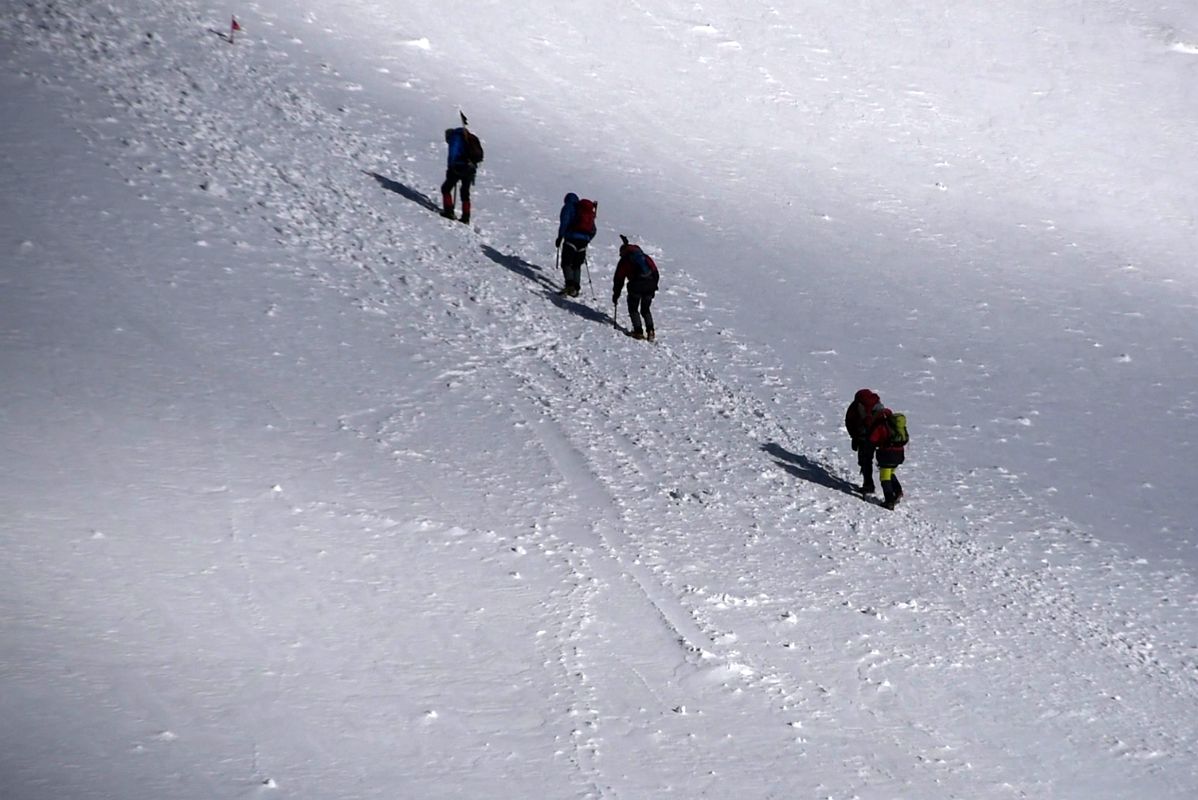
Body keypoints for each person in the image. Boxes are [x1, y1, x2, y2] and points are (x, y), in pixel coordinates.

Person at [612, 236, 660, 340]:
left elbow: (619, 279)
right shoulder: (645, 257)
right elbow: (655, 272)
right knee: (645, 309)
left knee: (633, 308)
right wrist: (654, 286)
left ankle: (638, 331)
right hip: (650, 285)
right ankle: (650, 331)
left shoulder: (624, 261)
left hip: (636, 286)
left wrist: (616, 294)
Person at [440, 121, 484, 223]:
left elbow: (453, 154)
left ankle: (449, 211)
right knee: (465, 192)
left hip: (459, 167)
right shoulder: (467, 137)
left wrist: (450, 168)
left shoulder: (455, 138)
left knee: (446, 188)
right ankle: (466, 217)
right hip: (471, 168)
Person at [555, 193, 597, 297]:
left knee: (566, 262)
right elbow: (593, 230)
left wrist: (560, 237)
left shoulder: (569, 207)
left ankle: (570, 285)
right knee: (577, 264)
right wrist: (587, 239)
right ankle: (576, 288)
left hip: (571, 238)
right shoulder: (586, 212)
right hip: (583, 241)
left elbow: (564, 222)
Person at [866, 406, 906, 509]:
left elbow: (872, 440)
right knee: (890, 473)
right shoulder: (898, 426)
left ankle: (889, 501)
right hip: (899, 455)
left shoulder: (882, 426)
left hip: (887, 455)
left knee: (884, 477)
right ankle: (898, 491)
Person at [844, 388, 881, 494]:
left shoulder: (856, 406)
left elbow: (849, 422)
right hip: (876, 438)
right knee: (881, 464)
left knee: (865, 461)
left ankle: (868, 484)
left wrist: (854, 437)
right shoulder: (877, 404)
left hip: (862, 438)